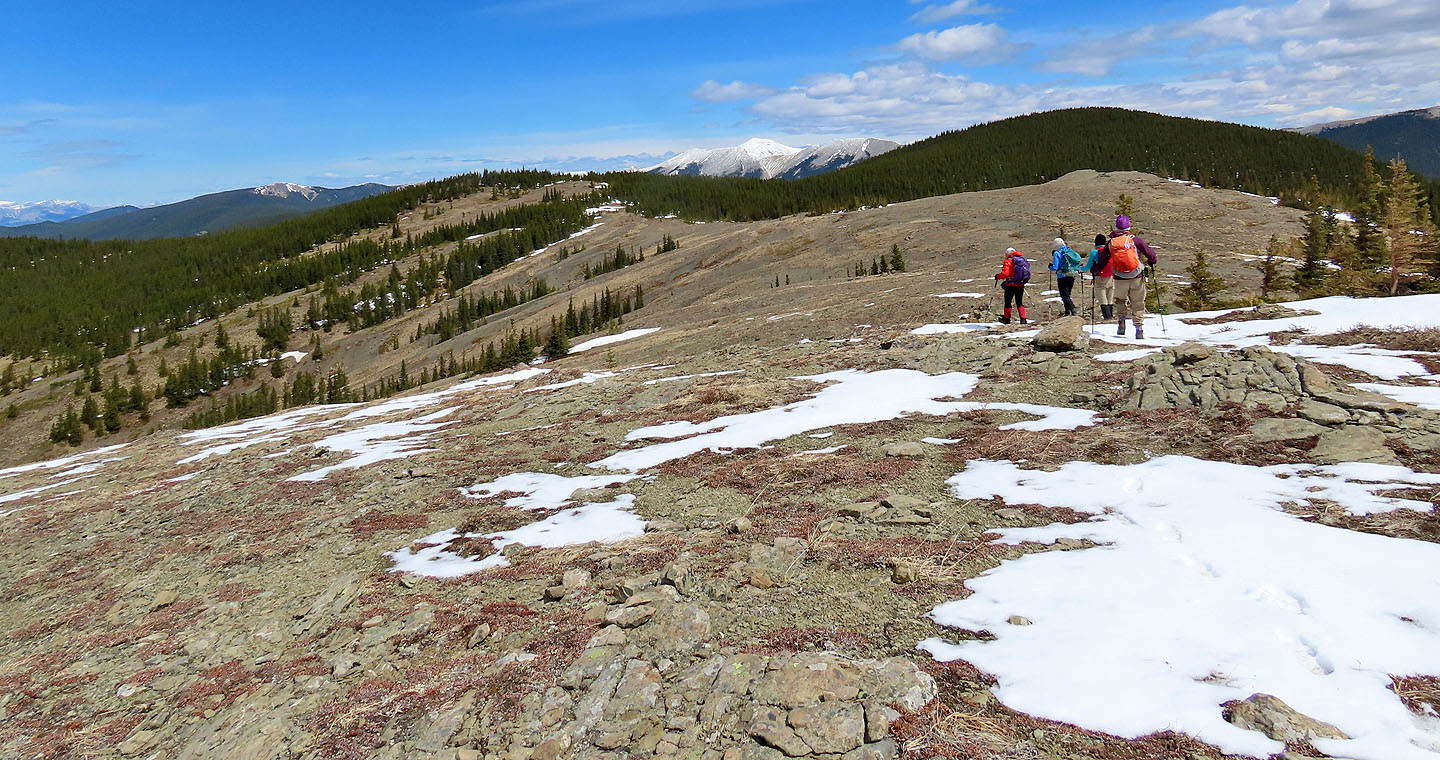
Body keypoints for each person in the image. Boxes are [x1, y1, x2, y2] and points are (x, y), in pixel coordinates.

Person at [1090, 215, 1157, 338]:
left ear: (1116, 227)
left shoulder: (1111, 243)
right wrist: (1152, 261)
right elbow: (1151, 254)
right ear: (1129, 226)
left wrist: (1094, 270)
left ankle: (1121, 322)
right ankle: (1139, 329)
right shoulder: (1136, 240)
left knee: (1120, 301)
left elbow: (1103, 261)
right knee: (1138, 302)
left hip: (1119, 278)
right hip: (1136, 276)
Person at [994, 247, 1031, 324]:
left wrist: (998, 276)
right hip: (1020, 284)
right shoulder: (1021, 260)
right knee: (1019, 302)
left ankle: (1007, 319)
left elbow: (1005, 274)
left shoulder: (1008, 261)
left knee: (1008, 302)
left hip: (1010, 284)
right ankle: (1023, 319)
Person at [1048, 237, 1083, 316]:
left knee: (1064, 295)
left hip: (1062, 276)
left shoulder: (1057, 253)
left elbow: (1055, 267)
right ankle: (1068, 311)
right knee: (1067, 294)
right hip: (1071, 275)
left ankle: (1073, 309)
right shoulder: (1069, 251)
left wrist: (1050, 267)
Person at [1085, 233, 1115, 321]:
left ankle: (1107, 316)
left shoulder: (1095, 252)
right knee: (1110, 295)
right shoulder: (1109, 250)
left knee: (1102, 296)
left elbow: (1088, 266)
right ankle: (1111, 314)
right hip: (1111, 275)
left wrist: (1080, 268)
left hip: (1100, 276)